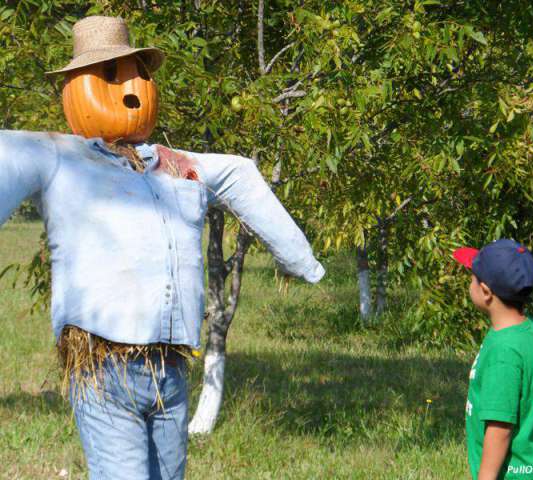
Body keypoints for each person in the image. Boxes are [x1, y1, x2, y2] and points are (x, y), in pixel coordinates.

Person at [0, 15, 324, 480]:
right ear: (76, 88)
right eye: (110, 74)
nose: (130, 85)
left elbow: (238, 173)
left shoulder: (171, 165)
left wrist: (301, 262)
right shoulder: (60, 158)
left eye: (138, 72)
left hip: (169, 367)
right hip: (104, 366)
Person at [453, 239, 533, 480]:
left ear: (485, 292)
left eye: (471, 278)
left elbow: (500, 428)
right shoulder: (527, 331)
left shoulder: (505, 352)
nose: (468, 284)